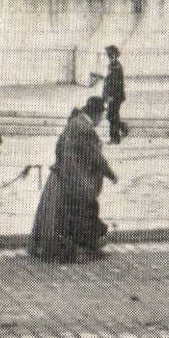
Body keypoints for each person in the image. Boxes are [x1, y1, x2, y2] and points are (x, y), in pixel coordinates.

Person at [29, 97, 117, 263]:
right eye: (101, 116)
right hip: (75, 179)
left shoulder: (74, 123)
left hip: (63, 177)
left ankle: (77, 249)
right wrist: (110, 173)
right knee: (85, 211)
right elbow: (95, 157)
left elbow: (60, 149)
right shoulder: (85, 129)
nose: (101, 120)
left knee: (66, 216)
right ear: (97, 114)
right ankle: (86, 250)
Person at [102, 46, 127, 144]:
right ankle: (123, 128)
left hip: (115, 96)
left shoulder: (116, 66)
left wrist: (111, 96)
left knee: (111, 116)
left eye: (110, 54)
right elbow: (108, 82)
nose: (108, 56)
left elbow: (117, 84)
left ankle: (115, 138)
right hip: (112, 96)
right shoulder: (112, 65)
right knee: (112, 115)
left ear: (114, 55)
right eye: (108, 54)